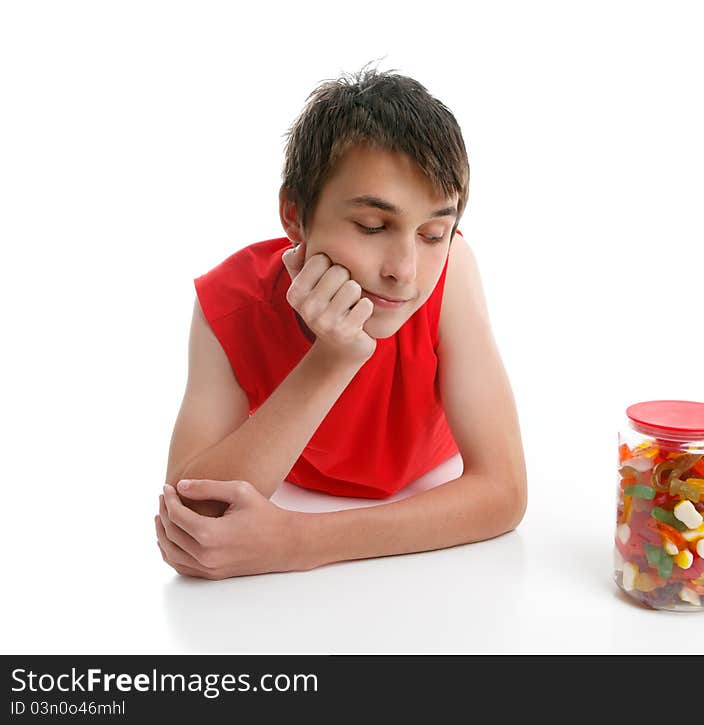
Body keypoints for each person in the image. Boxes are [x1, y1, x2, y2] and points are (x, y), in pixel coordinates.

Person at [154, 67, 527, 579]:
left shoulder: (452, 270)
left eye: (434, 232)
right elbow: (192, 522)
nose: (404, 271)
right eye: (372, 226)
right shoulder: (229, 301)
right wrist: (334, 356)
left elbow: (503, 492)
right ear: (293, 215)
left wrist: (300, 540)